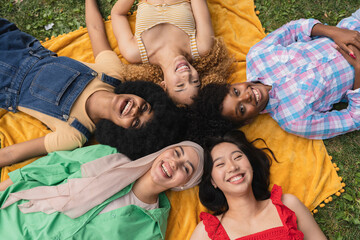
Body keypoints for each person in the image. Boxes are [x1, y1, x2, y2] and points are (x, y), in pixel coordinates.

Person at [0, 0, 184, 167]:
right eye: (145, 108)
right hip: (16, 45)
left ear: (123, 134)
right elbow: (96, 29)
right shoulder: (112, 74)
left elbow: (11, 154)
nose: (135, 111)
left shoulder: (74, 134)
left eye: (136, 122)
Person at [194, 9, 360, 139]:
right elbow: (353, 118)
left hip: (353, 27)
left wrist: (335, 32)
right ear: (248, 120)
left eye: (236, 92)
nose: (246, 97)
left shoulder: (258, 56)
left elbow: (293, 29)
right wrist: (358, 69)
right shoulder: (295, 121)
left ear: (233, 84)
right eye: (242, 109)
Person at [0, 141, 204, 239]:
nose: (175, 163)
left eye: (186, 168)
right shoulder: (108, 157)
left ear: (184, 184)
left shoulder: (151, 231)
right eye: (177, 152)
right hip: (11, 215)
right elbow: (49, 167)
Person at [190, 130, 326, 239]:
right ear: (213, 181)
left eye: (237, 157)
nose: (232, 167)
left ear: (251, 165)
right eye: (220, 164)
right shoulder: (206, 233)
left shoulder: (288, 205)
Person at [110, 0, 233, 105]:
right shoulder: (201, 46)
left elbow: (117, 14)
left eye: (180, 85)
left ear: (164, 86)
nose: (186, 76)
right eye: (195, 81)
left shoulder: (134, 52)